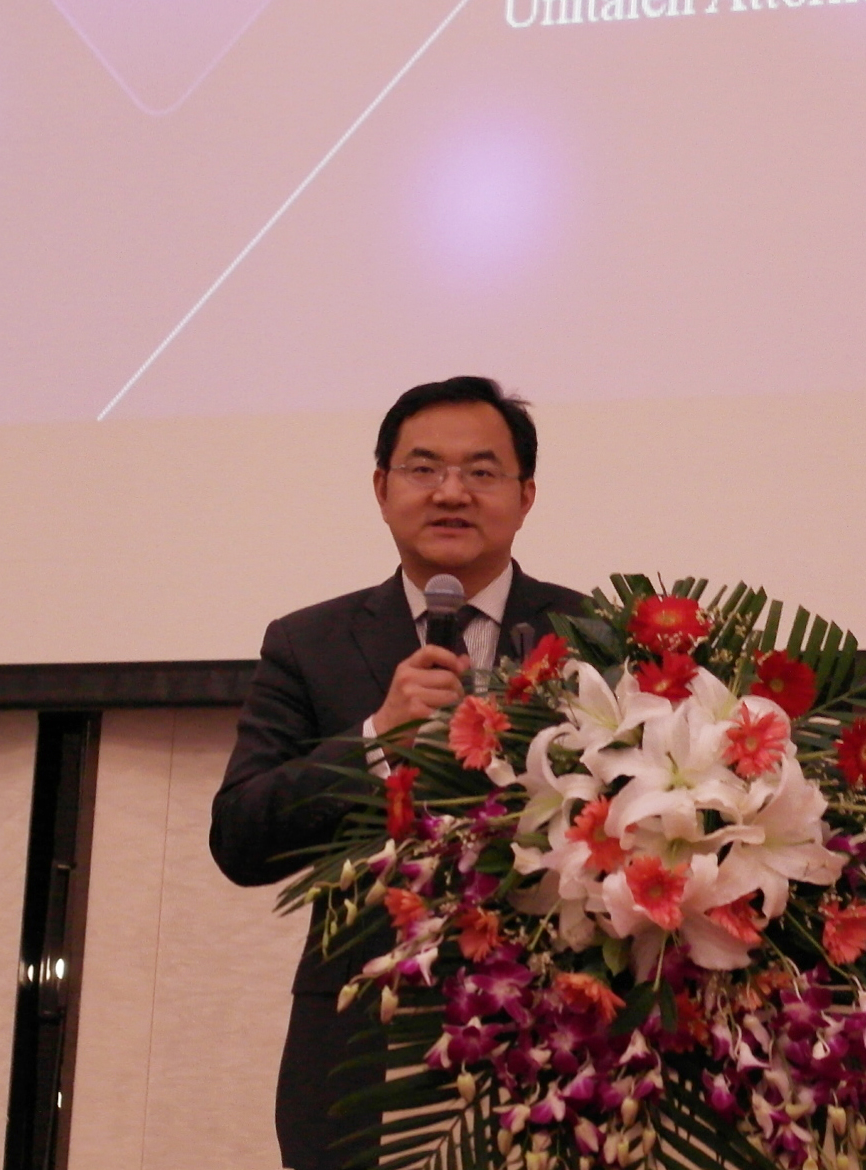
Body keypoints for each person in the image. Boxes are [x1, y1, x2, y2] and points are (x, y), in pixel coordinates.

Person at [209, 377, 583, 1170]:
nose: (450, 492)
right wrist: (377, 739)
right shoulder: (308, 643)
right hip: (362, 1046)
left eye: (481, 471)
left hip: (559, 1036)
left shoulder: (592, 637)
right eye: (423, 469)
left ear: (525, 496)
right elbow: (241, 837)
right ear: (381, 489)